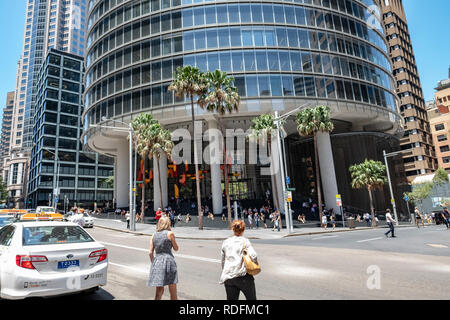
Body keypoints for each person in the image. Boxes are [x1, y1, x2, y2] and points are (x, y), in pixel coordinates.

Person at [220, 220, 258, 300]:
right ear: (243, 230)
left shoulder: (226, 242)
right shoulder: (245, 241)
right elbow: (254, 256)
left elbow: (223, 260)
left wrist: (226, 271)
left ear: (232, 229)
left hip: (229, 277)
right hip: (243, 276)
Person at [147, 217, 179, 300]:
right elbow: (176, 248)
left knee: (159, 292)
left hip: (157, 261)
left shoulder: (154, 235)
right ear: (168, 224)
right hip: (169, 262)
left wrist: (154, 262)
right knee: (173, 291)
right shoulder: (170, 234)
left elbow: (150, 252)